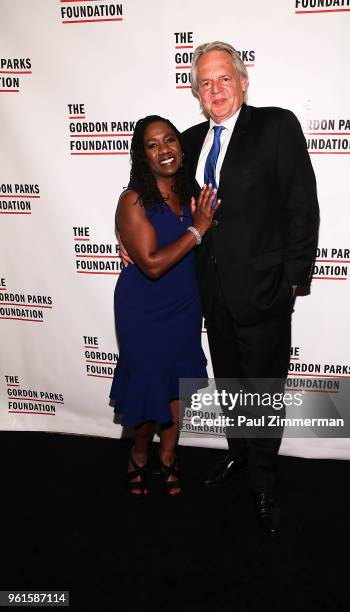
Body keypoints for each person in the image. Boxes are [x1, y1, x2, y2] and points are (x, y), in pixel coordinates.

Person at [180, 41, 320, 533]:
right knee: (232, 385)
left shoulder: (276, 126)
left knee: (262, 391)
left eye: (224, 79)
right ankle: (239, 456)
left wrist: (293, 281)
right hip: (212, 292)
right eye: (205, 83)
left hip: (264, 290)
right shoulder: (192, 138)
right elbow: (162, 197)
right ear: (197, 94)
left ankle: (265, 483)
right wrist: (132, 236)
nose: (215, 90)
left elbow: (302, 204)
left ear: (242, 82)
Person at [110, 115, 219, 497]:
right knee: (147, 386)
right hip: (144, 307)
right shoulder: (134, 199)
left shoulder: (192, 192)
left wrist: (200, 222)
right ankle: (139, 454)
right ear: (142, 156)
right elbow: (152, 264)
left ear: (181, 146)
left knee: (175, 386)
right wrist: (197, 229)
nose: (164, 150)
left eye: (169, 140)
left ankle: (169, 456)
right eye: (152, 145)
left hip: (185, 303)